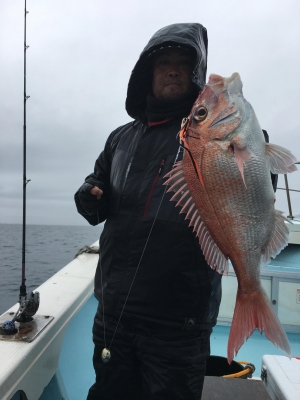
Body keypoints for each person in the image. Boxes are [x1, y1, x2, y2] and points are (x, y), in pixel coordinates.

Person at [74, 22, 222, 400]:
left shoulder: (209, 133)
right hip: (114, 314)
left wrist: (253, 152)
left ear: (197, 75)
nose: (173, 69)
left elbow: (253, 179)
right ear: (147, 73)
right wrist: (89, 197)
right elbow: (97, 189)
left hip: (178, 322)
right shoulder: (120, 138)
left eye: (183, 63)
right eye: (164, 63)